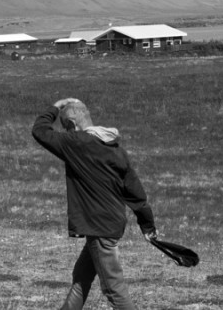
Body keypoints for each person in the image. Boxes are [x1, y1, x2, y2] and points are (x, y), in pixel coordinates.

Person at [31, 97, 157, 310]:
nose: (66, 132)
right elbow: (136, 192)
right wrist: (147, 225)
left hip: (99, 228)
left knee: (113, 288)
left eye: (66, 127)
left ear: (72, 124)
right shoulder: (115, 147)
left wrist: (55, 106)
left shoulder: (75, 143)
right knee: (81, 277)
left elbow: (40, 131)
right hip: (109, 224)